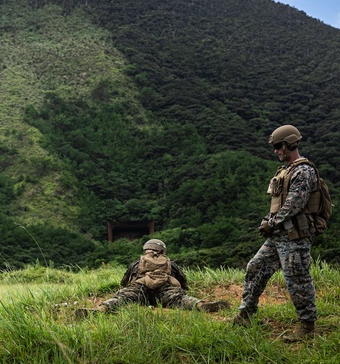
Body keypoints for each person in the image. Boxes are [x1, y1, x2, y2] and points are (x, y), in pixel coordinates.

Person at [234, 125, 324, 341]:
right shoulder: (286, 170)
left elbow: (295, 204)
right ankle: (246, 314)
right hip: (278, 235)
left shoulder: (304, 171)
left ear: (290, 143)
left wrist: (271, 223)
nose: (275, 151)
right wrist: (269, 220)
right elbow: (280, 203)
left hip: (295, 236)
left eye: (278, 146)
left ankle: (307, 327)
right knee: (255, 267)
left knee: (297, 278)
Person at [77, 239, 228, 317]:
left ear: (146, 250)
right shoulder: (170, 264)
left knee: (123, 298)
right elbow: (183, 283)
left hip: (140, 289)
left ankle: (101, 309)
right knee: (179, 299)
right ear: (163, 250)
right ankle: (200, 305)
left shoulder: (137, 263)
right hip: (164, 290)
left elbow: (125, 283)